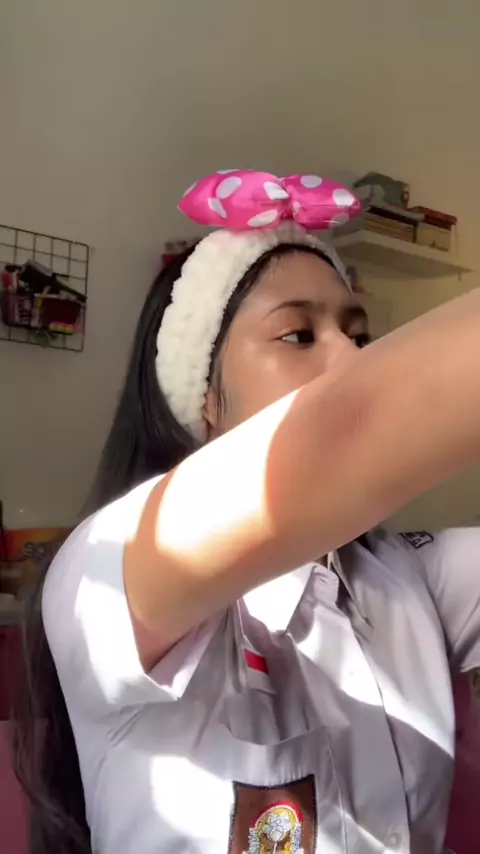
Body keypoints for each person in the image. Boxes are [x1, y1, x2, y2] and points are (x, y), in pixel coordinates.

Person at [12, 170, 480, 854]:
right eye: (297, 335)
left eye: (359, 335)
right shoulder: (109, 565)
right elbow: (348, 428)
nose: (353, 359)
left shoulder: (406, 577)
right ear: (204, 395)